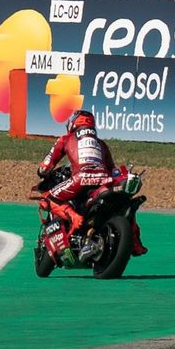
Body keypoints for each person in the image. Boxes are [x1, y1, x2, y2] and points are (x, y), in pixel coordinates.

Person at [37, 110, 148, 257]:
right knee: (125, 203)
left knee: (47, 199)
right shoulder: (101, 144)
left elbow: (45, 166)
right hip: (104, 181)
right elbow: (112, 169)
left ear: (72, 123)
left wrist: (42, 171)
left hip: (80, 179)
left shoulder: (65, 139)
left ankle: (75, 218)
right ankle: (135, 244)